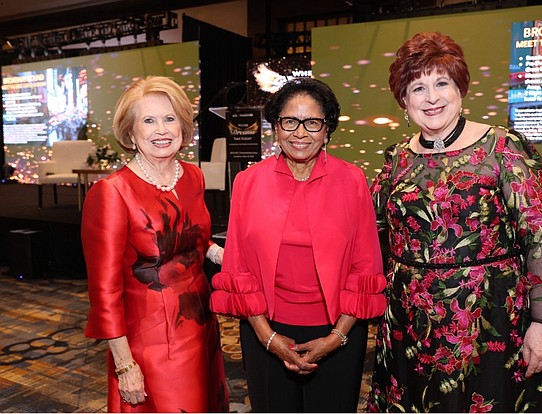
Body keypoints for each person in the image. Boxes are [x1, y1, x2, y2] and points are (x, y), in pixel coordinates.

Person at [367, 32, 542, 412]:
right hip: (409, 319)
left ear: (460, 88)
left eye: (442, 83)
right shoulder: (395, 159)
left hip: (487, 318)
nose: (432, 97)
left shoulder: (502, 147)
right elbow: (374, 229)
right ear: (404, 101)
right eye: (417, 87)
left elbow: (541, 237)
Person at [210, 78, 387, 412]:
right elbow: (238, 269)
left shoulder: (352, 180)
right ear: (276, 128)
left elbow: (365, 267)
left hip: (339, 330)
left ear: (327, 129)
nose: (300, 133)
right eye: (289, 121)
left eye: (312, 122)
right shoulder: (248, 182)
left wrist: (336, 338)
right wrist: (268, 338)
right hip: (265, 329)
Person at [82, 76, 228, 412]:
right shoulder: (112, 193)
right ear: (131, 133)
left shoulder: (193, 175)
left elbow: (194, 239)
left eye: (169, 118)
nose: (161, 129)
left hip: (202, 321)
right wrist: (124, 364)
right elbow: (104, 292)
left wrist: (224, 254)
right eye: (148, 120)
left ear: (182, 126)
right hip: (152, 337)